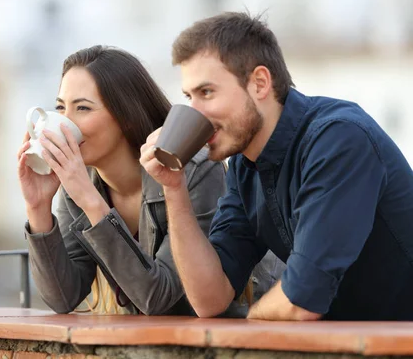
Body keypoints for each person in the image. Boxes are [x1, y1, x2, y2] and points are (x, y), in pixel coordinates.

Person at [140, 12, 413, 321]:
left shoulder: (339, 140)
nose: (195, 112)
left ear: (259, 83)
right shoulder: (245, 166)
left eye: (207, 93)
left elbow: (301, 299)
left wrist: (253, 323)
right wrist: (174, 187)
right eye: (189, 97)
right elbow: (209, 299)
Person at [18, 45, 283, 316]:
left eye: (83, 108)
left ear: (126, 117)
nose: (63, 123)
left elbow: (159, 297)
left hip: (246, 328)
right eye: (60, 108)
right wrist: (38, 208)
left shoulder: (192, 169)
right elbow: (63, 297)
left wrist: (91, 202)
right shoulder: (80, 182)